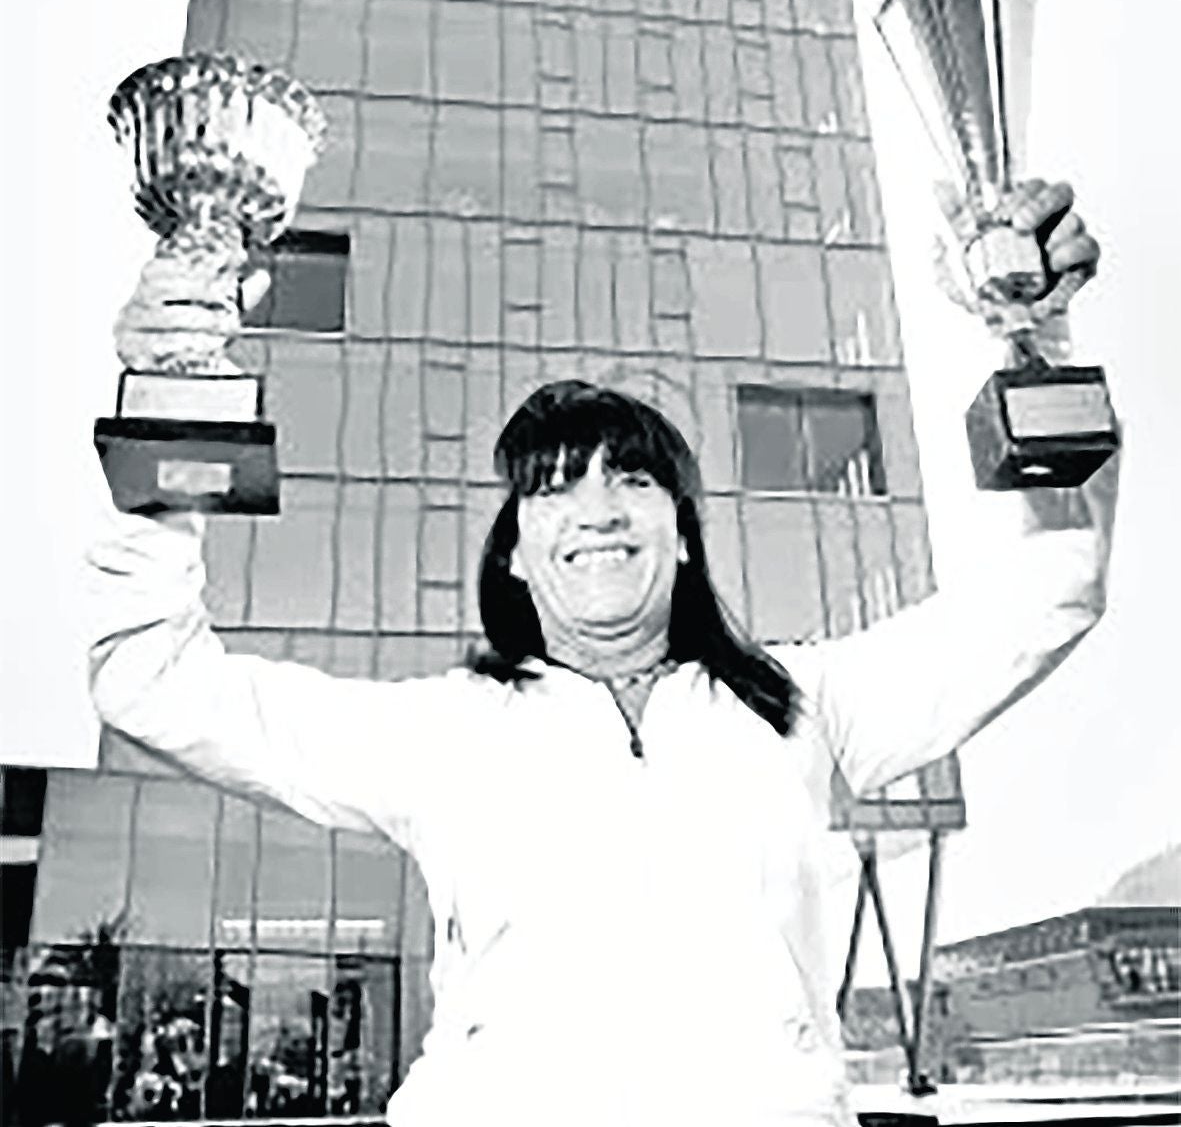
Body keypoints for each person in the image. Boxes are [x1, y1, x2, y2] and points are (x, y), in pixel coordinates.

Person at [85, 180, 1118, 1126]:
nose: (595, 511)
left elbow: (1052, 584)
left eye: (629, 479)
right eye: (553, 487)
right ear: (519, 559)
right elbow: (155, 681)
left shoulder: (802, 703)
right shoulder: (440, 729)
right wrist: (166, 387)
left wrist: (1030, 332)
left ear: (679, 529)